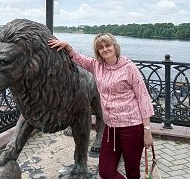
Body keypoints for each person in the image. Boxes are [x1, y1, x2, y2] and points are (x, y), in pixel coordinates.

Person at [48, 33, 154, 179]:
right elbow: (78, 58)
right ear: (98, 51)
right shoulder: (97, 66)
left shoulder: (129, 68)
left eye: (107, 45)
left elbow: (143, 98)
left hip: (132, 128)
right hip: (110, 129)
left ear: (114, 46)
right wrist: (67, 47)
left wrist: (147, 131)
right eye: (100, 47)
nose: (105, 49)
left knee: (132, 170)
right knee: (106, 171)